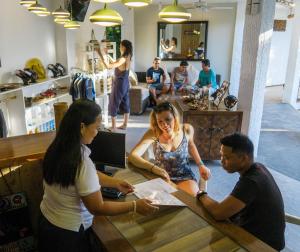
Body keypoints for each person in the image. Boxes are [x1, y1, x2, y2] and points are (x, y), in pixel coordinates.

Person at [38, 100, 158, 252]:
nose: (97, 132)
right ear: (82, 127)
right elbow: (97, 207)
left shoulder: (58, 147)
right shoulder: (81, 162)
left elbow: (84, 176)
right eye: (96, 127)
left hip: (47, 221)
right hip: (67, 236)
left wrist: (114, 183)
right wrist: (135, 206)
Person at [197, 133, 285, 251]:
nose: (222, 161)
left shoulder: (251, 181)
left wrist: (201, 194)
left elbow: (219, 213)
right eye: (221, 155)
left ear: (243, 158)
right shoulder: (258, 167)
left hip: (263, 244)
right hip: (261, 233)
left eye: (227, 157)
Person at [128, 101, 211, 196]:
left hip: (184, 175)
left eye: (168, 119)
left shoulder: (186, 129)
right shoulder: (153, 133)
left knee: (191, 201)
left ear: (175, 118)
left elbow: (191, 145)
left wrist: (201, 165)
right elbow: (132, 156)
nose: (164, 125)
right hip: (161, 176)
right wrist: (153, 168)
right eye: (160, 121)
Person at [97, 40, 132, 130]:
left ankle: (113, 127)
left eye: (120, 46)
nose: (119, 47)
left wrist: (100, 54)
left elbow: (109, 66)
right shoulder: (128, 57)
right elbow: (116, 63)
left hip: (120, 84)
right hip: (125, 83)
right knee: (126, 103)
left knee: (113, 103)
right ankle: (124, 125)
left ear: (124, 47)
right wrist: (107, 54)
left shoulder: (123, 58)